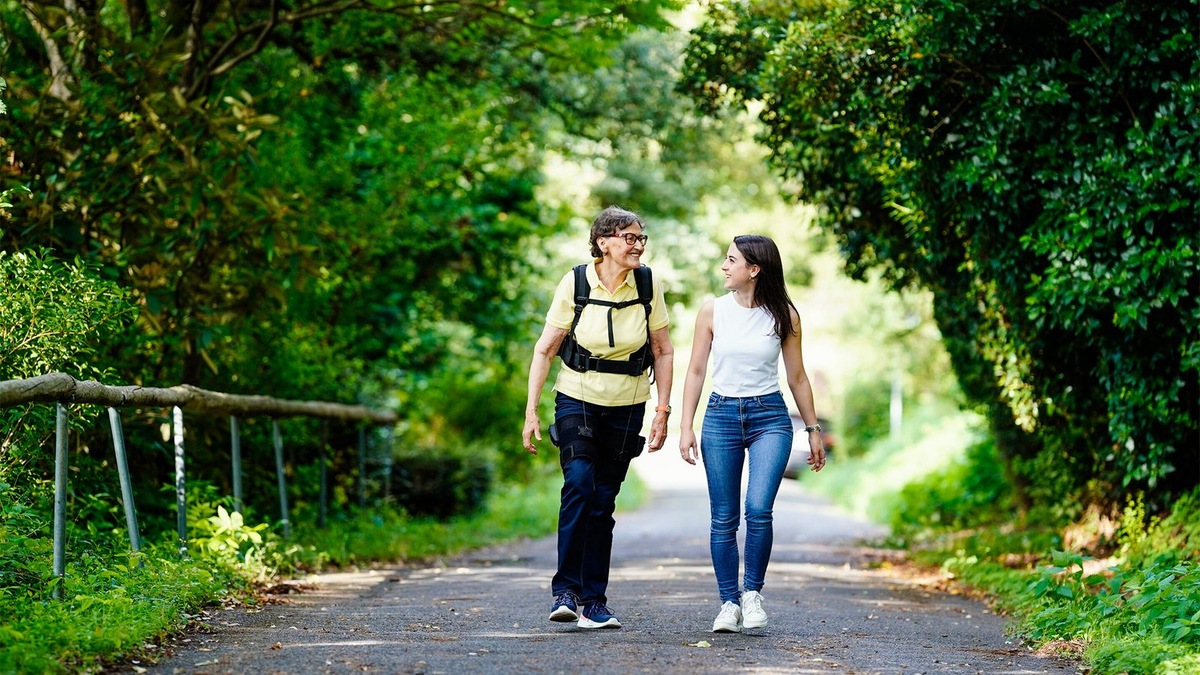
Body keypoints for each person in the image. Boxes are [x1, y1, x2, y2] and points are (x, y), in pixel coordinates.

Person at [522, 205, 674, 630]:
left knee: (603, 501)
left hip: (628, 403)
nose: (638, 245)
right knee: (579, 484)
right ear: (603, 242)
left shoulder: (648, 283)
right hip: (577, 396)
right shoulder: (575, 281)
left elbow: (663, 350)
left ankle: (594, 602)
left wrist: (663, 411)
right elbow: (545, 348)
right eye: (629, 237)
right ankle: (566, 591)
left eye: (641, 238)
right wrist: (531, 411)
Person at [678, 234, 826, 633]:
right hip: (721, 416)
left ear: (754, 269)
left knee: (758, 509)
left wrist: (812, 429)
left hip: (770, 418)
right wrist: (685, 425)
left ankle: (752, 594)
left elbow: (796, 376)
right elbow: (695, 371)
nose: (724, 267)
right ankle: (728, 602)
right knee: (723, 517)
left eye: (731, 260)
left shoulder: (785, 316)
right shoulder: (712, 311)